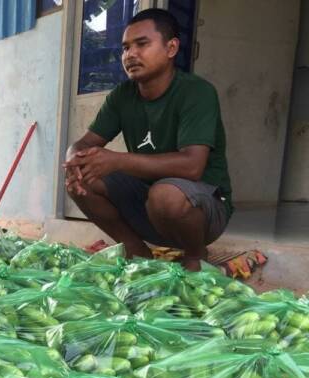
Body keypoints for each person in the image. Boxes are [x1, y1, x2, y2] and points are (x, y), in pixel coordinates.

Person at [64, 8, 232, 271]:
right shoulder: (122, 96)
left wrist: (118, 161)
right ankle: (137, 251)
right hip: (148, 203)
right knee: (81, 180)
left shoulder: (196, 92)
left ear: (171, 48)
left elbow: (192, 166)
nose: (130, 54)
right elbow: (85, 143)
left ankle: (195, 256)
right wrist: (74, 159)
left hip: (202, 209)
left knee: (164, 195)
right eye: (125, 48)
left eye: (142, 44)